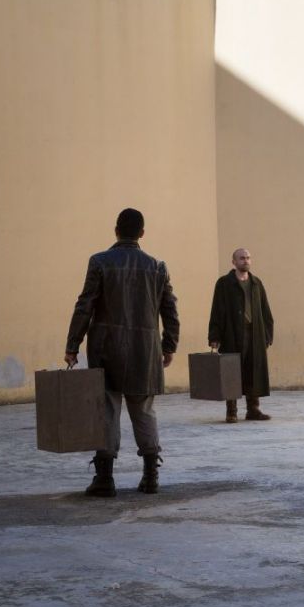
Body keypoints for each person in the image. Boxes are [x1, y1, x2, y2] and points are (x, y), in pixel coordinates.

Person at [65, 208, 179, 497]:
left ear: (115, 229)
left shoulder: (100, 262)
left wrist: (72, 345)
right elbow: (170, 311)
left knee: (107, 409)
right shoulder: (157, 267)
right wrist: (168, 347)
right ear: (142, 233)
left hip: (106, 347)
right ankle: (150, 476)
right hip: (145, 350)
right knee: (143, 410)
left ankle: (105, 479)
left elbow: (85, 305)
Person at [208, 248, 274, 423]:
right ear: (234, 262)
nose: (246, 261)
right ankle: (232, 411)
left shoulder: (256, 284)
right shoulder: (224, 284)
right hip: (232, 334)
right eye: (242, 258)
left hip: (254, 335)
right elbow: (216, 311)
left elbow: (265, 311)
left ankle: (253, 409)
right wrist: (214, 337)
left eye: (248, 258)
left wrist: (267, 335)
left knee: (253, 371)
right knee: (232, 372)